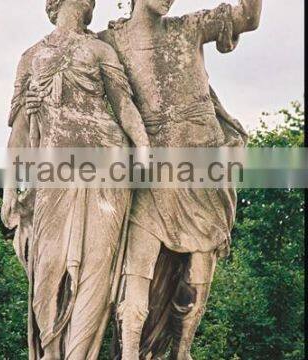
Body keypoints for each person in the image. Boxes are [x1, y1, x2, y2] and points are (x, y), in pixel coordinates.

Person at [97, 0, 262, 359]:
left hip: (203, 169)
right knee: (136, 267)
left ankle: (182, 351)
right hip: (151, 171)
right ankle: (128, 353)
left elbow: (248, 17)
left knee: (200, 269)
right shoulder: (108, 41)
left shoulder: (188, 28)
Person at [1, 0, 149, 359]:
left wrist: (143, 148)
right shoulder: (31, 56)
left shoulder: (100, 49)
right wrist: (9, 188)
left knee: (96, 272)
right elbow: (19, 131)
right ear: (54, 5)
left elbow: (124, 105)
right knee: (46, 272)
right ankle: (52, 353)